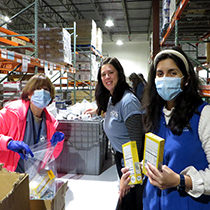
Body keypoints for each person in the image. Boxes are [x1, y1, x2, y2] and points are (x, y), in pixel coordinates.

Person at [120, 46, 210, 209]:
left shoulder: (203, 115)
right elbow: (157, 160)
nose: (165, 78)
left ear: (186, 79)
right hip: (152, 203)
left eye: (173, 73)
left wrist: (180, 181)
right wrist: (136, 170)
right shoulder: (154, 115)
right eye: (160, 74)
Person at [84, 57, 144, 210]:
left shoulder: (128, 101)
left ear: (119, 74)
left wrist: (128, 177)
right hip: (121, 157)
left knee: (129, 202)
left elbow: (137, 143)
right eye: (103, 74)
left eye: (111, 73)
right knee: (126, 200)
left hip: (130, 161)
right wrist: (98, 111)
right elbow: (115, 115)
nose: (107, 77)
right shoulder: (113, 98)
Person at [0, 73, 65, 173]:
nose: (42, 93)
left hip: (33, 177)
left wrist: (57, 144)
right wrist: (8, 143)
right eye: (38, 88)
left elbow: (49, 157)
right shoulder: (12, 113)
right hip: (8, 175)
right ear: (29, 94)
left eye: (46, 90)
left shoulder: (50, 122)